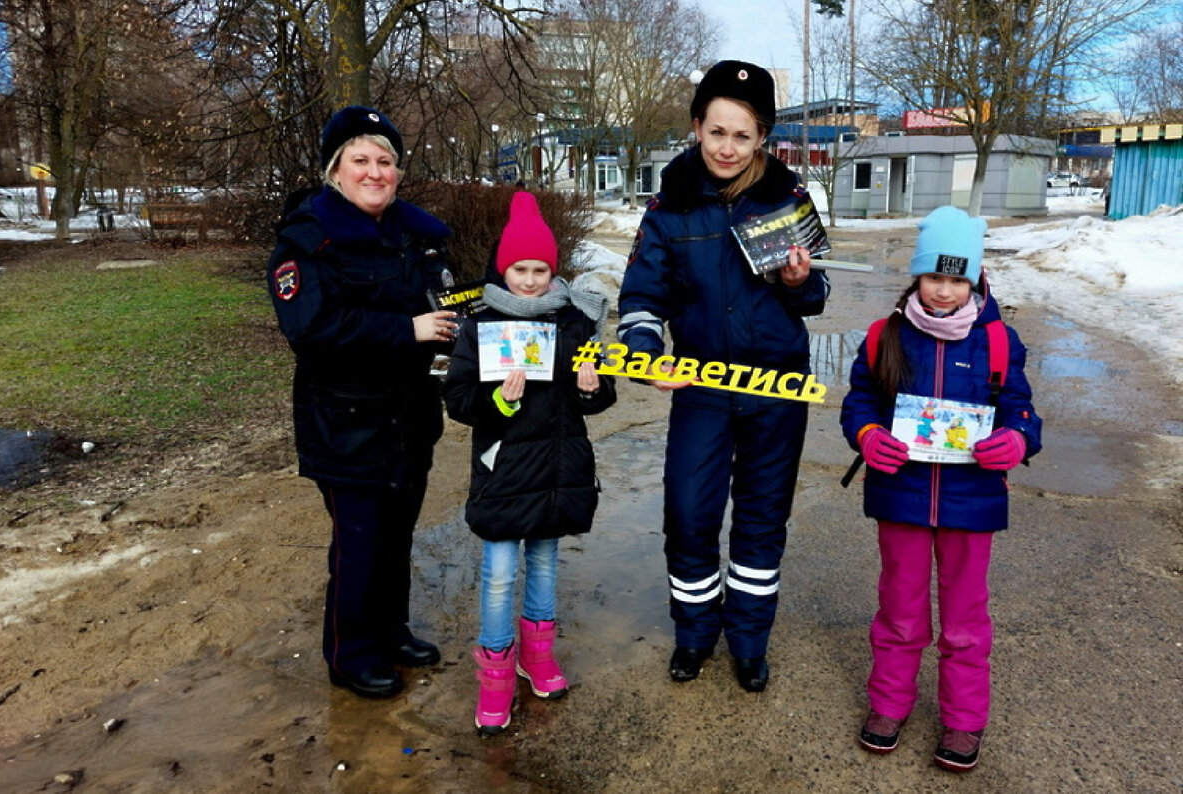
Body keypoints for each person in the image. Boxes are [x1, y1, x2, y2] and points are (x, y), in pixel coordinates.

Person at [617, 60, 830, 692]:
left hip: (776, 391)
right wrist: (644, 350)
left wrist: (798, 281)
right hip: (704, 390)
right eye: (717, 132)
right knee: (689, 513)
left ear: (762, 136)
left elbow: (817, 291)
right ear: (697, 128)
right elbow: (640, 298)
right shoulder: (669, 207)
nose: (727, 148)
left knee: (763, 519)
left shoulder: (789, 199)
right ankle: (694, 635)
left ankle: (748, 641)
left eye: (742, 135)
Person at [839, 205, 1043, 772]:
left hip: (972, 502)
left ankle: (962, 719)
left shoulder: (999, 342)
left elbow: (1021, 411)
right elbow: (859, 401)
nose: (945, 291)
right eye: (935, 277)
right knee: (900, 610)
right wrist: (867, 433)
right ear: (917, 276)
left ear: (975, 278)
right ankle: (889, 704)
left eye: (957, 279)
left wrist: (1017, 440)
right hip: (900, 496)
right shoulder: (886, 337)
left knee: (965, 620)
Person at [267, 105, 460, 699]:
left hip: (410, 416)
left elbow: (451, 311)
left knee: (398, 533)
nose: (375, 172)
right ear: (335, 171)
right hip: (346, 421)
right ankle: (350, 653)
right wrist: (408, 330)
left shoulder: (419, 237)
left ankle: (391, 631)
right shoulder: (306, 240)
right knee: (359, 540)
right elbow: (312, 328)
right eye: (361, 160)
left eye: (386, 161)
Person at [443, 191, 617, 735]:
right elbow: (458, 400)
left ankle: (537, 658)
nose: (530, 280)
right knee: (498, 575)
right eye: (520, 268)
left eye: (540, 269)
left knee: (544, 564)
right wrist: (501, 402)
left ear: (552, 270)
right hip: (504, 470)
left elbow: (601, 394)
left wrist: (592, 386)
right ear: (504, 269)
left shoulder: (574, 324)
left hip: (557, 467)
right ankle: (494, 676)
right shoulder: (480, 326)